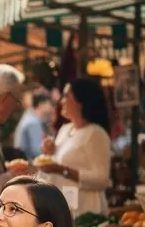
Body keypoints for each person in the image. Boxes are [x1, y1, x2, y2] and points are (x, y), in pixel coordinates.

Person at [32, 77, 112, 215]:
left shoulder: (96, 134)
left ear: (80, 102)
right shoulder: (65, 129)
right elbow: (60, 160)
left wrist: (62, 170)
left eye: (66, 96)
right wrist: (50, 151)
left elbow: (102, 180)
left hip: (87, 211)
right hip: (65, 209)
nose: (61, 101)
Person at [13, 91, 52, 161]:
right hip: (28, 162)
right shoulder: (33, 122)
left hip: (24, 159)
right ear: (41, 105)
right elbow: (37, 151)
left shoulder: (29, 116)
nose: (51, 107)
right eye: (49, 103)